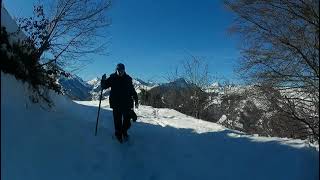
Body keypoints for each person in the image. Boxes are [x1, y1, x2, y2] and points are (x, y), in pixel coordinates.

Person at [101, 63, 139, 143]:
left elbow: (132, 91)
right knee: (117, 121)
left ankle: (124, 132)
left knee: (127, 122)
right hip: (116, 103)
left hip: (126, 103)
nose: (120, 72)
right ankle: (118, 135)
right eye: (118, 70)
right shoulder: (112, 78)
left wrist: (136, 100)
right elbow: (104, 86)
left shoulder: (128, 79)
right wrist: (103, 80)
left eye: (121, 70)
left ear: (124, 70)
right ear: (116, 70)